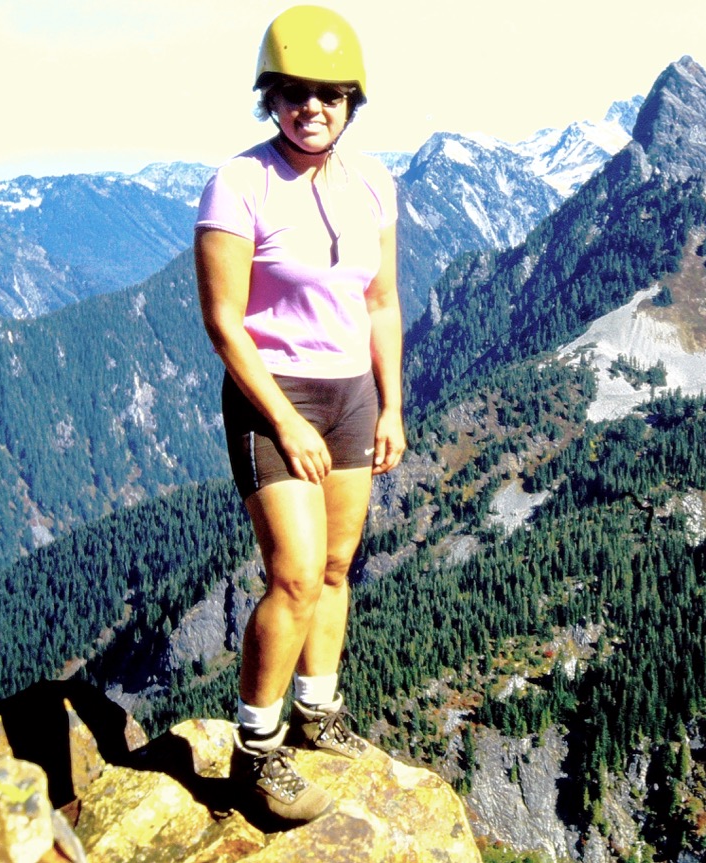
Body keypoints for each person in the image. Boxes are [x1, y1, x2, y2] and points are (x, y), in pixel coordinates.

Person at [195, 4, 405, 824]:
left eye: (327, 92)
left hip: (353, 393)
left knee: (334, 569)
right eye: (292, 91)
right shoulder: (238, 184)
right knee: (290, 571)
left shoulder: (374, 183)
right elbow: (223, 321)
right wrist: (283, 421)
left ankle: (318, 713)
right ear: (269, 97)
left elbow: (382, 302)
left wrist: (392, 405)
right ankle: (257, 749)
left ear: (351, 98)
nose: (310, 107)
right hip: (269, 394)